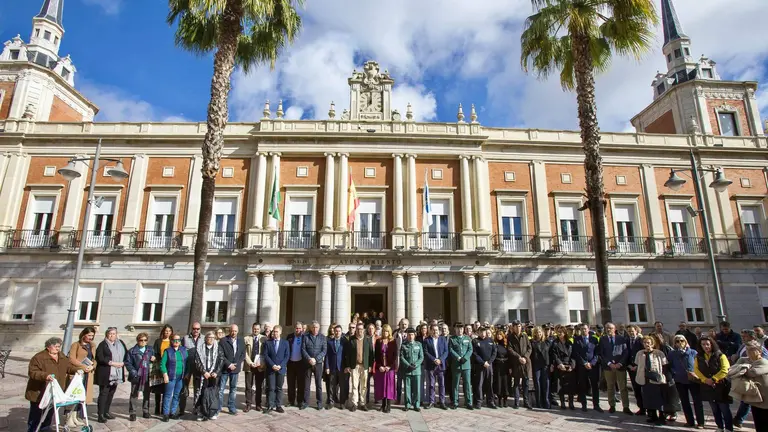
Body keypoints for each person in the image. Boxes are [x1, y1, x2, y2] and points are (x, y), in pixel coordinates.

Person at [26, 337, 84, 432]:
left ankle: (45, 429)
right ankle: (32, 430)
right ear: (48, 347)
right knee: (36, 414)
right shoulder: (39, 357)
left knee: (49, 412)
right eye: (55, 346)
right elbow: (32, 372)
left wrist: (76, 370)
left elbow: (68, 367)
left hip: (54, 391)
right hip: (39, 392)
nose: (58, 348)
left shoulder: (61, 356)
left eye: (59, 346)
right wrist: (45, 376)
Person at [695, 335, 733, 432]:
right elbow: (696, 370)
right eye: (703, 344)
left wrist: (714, 379)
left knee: (724, 408)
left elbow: (725, 369)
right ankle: (720, 426)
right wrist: (705, 380)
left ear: (712, 344)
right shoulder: (698, 357)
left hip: (721, 385)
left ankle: (729, 428)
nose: (706, 346)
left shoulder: (720, 355)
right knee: (714, 408)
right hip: (707, 385)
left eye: (707, 344)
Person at [732, 330, 768, 428]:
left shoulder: (763, 357)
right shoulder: (744, 351)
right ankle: (739, 419)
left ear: (759, 351)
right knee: (759, 421)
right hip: (754, 394)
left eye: (752, 350)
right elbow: (732, 371)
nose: (749, 352)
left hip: (765, 395)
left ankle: (739, 418)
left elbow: (756, 371)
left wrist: (745, 368)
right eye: (748, 350)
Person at [669, 334, 704, 428]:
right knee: (685, 401)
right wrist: (674, 373)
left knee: (697, 401)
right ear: (674, 343)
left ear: (685, 342)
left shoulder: (693, 352)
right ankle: (690, 421)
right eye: (677, 341)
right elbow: (670, 366)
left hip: (693, 380)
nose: (680, 343)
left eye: (682, 341)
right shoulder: (672, 353)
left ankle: (701, 422)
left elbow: (700, 365)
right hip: (680, 380)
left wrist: (697, 375)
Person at [95, 327, 128, 423]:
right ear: (106, 335)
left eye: (114, 333)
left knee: (111, 393)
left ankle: (106, 412)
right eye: (110, 334)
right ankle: (100, 414)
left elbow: (126, 353)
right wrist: (111, 363)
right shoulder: (103, 344)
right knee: (104, 393)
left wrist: (123, 363)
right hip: (106, 373)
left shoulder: (120, 343)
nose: (112, 335)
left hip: (117, 373)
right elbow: (100, 357)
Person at [597, 322, 631, 414]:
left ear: (614, 329)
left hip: (620, 366)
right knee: (610, 386)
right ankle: (612, 405)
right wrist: (609, 363)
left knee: (623, 387)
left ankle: (626, 407)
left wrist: (620, 363)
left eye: (611, 328)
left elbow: (625, 352)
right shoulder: (603, 339)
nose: (609, 330)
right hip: (608, 367)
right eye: (607, 328)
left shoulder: (621, 339)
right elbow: (601, 353)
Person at [65, 326, 96, 427]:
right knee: (73, 394)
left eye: (92, 336)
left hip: (88, 374)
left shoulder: (92, 345)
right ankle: (68, 418)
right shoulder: (76, 345)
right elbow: (72, 359)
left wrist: (92, 366)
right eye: (89, 335)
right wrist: (83, 366)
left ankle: (75, 417)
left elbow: (94, 359)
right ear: (84, 334)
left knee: (81, 396)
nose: (91, 338)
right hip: (77, 373)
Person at [634, 335, 668, 425]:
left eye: (648, 343)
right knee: (648, 398)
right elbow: (638, 365)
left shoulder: (659, 353)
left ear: (652, 343)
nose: (646, 345)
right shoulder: (640, 353)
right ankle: (652, 416)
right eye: (645, 343)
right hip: (645, 379)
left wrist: (663, 376)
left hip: (656, 379)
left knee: (659, 399)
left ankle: (661, 417)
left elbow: (664, 365)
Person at [125, 332, 154, 421]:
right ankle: (132, 412)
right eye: (141, 340)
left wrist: (154, 359)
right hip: (137, 376)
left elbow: (153, 360)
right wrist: (134, 372)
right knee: (134, 394)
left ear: (147, 341)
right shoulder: (132, 351)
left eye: (145, 340)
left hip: (147, 375)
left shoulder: (150, 350)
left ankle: (145, 411)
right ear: (137, 340)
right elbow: (128, 363)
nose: (143, 342)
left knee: (146, 394)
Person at [195, 331, 223, 421]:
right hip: (204, 375)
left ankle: (212, 413)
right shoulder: (200, 348)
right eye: (209, 337)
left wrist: (216, 372)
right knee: (202, 393)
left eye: (212, 338)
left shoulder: (218, 348)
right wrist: (203, 372)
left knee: (213, 394)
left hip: (213, 375)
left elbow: (221, 360)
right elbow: (197, 361)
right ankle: (201, 413)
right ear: (205, 338)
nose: (211, 339)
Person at [573, 323, 601, 412]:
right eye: (582, 329)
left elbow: (597, 353)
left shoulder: (594, 339)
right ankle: (584, 404)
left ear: (588, 329)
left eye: (585, 329)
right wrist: (584, 363)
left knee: (595, 386)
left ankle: (596, 404)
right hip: (582, 366)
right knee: (582, 385)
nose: (583, 330)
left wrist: (592, 363)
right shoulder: (577, 340)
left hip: (593, 366)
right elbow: (576, 353)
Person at [160, 333, 187, 422]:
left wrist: (187, 374)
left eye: (178, 340)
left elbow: (187, 363)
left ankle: (173, 412)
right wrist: (165, 375)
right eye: (175, 340)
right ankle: (165, 414)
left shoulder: (183, 350)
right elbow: (162, 364)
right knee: (168, 395)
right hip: (171, 376)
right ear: (171, 341)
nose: (176, 341)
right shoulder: (168, 351)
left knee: (177, 395)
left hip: (180, 377)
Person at [346, 322, 373, 411]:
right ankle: (354, 403)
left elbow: (371, 354)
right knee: (354, 385)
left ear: (364, 330)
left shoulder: (368, 340)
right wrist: (348, 366)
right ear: (356, 330)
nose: (359, 331)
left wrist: (370, 365)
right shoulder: (352, 339)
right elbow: (348, 354)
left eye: (361, 329)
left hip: (364, 366)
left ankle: (363, 403)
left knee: (364, 385)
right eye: (358, 329)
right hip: (355, 366)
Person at [219, 324, 245, 415]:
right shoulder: (223, 341)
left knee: (233, 389)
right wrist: (229, 364)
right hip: (225, 369)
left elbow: (243, 354)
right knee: (221, 389)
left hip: (235, 369)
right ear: (229, 331)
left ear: (237, 331)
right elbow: (221, 355)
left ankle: (231, 407)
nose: (233, 333)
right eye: (232, 331)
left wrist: (237, 364)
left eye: (235, 331)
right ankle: (218, 407)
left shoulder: (241, 341)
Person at [302, 320, 328, 410]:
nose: (315, 329)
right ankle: (305, 402)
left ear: (319, 328)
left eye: (316, 327)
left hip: (318, 363)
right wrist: (309, 358)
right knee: (306, 384)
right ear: (310, 327)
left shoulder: (323, 337)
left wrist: (316, 359)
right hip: (307, 363)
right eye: (313, 327)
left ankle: (319, 402)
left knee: (318, 384)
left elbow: (324, 350)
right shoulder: (305, 337)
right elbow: (303, 349)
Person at [423, 323, 449, 409]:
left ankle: (442, 402)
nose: (435, 331)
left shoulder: (443, 339)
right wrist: (434, 359)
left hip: (441, 365)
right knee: (431, 384)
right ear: (430, 331)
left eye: (437, 330)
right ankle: (431, 401)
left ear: (439, 331)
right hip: (431, 365)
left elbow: (446, 351)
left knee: (442, 384)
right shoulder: (427, 340)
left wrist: (440, 360)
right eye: (433, 330)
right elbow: (426, 352)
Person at [181, 322, 204, 416]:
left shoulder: (203, 338)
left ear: (200, 329)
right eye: (194, 328)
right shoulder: (186, 338)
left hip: (198, 367)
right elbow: (181, 351)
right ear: (191, 329)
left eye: (198, 329)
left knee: (197, 388)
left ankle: (196, 407)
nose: (196, 330)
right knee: (184, 387)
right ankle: (181, 409)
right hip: (187, 366)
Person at [264, 325, 289, 413]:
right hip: (271, 369)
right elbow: (266, 355)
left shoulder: (285, 343)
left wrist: (280, 365)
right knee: (271, 388)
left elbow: (287, 356)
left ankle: (278, 405)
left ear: (280, 332)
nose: (275, 333)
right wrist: (272, 365)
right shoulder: (268, 342)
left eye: (277, 331)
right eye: (274, 331)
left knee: (279, 388)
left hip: (281, 369)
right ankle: (270, 405)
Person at [507, 320, 532, 410]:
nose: (518, 328)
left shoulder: (525, 336)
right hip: (516, 363)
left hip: (525, 363)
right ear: (513, 327)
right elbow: (510, 349)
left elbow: (529, 348)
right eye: (516, 326)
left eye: (519, 326)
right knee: (516, 383)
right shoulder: (510, 337)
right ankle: (516, 402)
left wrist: (525, 357)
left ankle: (526, 401)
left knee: (526, 383)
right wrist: (519, 357)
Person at [449, 322, 473, 410]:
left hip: (466, 365)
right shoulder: (452, 339)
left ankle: (469, 402)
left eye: (461, 329)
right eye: (458, 329)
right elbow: (451, 349)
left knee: (467, 384)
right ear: (455, 329)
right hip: (456, 365)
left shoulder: (467, 338)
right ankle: (455, 402)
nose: (460, 330)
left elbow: (470, 349)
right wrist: (458, 357)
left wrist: (465, 358)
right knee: (455, 384)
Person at [551, 326, 576, 410]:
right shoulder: (555, 343)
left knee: (570, 386)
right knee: (560, 386)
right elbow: (554, 355)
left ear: (564, 333)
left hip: (569, 366)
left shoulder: (569, 343)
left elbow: (573, 355)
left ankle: (571, 403)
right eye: (558, 332)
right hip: (560, 366)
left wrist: (572, 365)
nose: (559, 334)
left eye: (561, 332)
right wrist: (559, 364)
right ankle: (562, 403)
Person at [472, 327, 497, 409]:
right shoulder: (475, 341)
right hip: (480, 366)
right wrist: (483, 362)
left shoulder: (490, 340)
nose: (483, 334)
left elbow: (494, 352)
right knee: (479, 384)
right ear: (478, 332)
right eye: (481, 332)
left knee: (489, 383)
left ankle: (490, 401)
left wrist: (489, 362)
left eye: (484, 332)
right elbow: (475, 354)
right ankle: (479, 401)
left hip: (489, 366)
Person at [151, 324, 173, 416]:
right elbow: (155, 353)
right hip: (158, 366)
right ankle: (157, 408)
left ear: (171, 332)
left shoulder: (172, 342)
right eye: (166, 331)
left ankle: (165, 409)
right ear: (163, 331)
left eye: (169, 331)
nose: (167, 332)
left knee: (166, 388)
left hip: (169, 367)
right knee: (157, 388)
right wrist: (153, 358)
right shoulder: (158, 341)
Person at [400, 327, 424, 411]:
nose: (410, 336)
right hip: (407, 370)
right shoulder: (404, 345)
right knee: (407, 388)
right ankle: (407, 404)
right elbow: (401, 357)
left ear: (415, 335)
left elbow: (421, 357)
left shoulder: (419, 344)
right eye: (409, 335)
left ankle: (416, 404)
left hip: (416, 370)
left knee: (417, 388)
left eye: (412, 335)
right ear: (407, 335)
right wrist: (408, 365)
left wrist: (416, 365)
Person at [375, 324, 397, 413]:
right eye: (384, 331)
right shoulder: (378, 341)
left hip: (389, 368)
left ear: (390, 332)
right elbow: (376, 355)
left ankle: (388, 405)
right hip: (381, 368)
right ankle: (383, 404)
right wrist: (379, 365)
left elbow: (395, 355)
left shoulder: (393, 341)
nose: (385, 332)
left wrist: (389, 366)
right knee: (382, 386)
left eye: (387, 331)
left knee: (389, 386)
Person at [243, 323, 265, 413]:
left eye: (257, 329)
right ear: (252, 329)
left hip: (260, 366)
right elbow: (244, 353)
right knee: (248, 386)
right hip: (249, 366)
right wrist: (250, 363)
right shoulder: (246, 338)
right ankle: (248, 404)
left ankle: (258, 404)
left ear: (260, 329)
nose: (256, 330)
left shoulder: (264, 339)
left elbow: (265, 353)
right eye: (254, 329)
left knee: (259, 386)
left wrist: (260, 363)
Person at [325, 324, 348, 409]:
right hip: (332, 367)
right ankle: (331, 402)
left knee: (342, 386)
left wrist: (347, 367)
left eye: (339, 331)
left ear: (341, 332)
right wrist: (327, 367)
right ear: (334, 332)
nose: (337, 332)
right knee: (331, 386)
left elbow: (347, 355)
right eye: (336, 331)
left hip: (342, 368)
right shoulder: (330, 342)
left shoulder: (344, 342)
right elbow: (327, 355)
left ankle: (342, 403)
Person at [625, 324, 646, 416]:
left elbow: (644, 354)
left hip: (640, 368)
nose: (630, 333)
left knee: (643, 389)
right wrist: (629, 365)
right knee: (636, 388)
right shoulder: (626, 341)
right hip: (631, 368)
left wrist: (638, 366)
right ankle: (641, 408)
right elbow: (625, 354)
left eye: (632, 331)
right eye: (629, 331)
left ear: (636, 331)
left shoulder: (641, 341)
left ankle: (648, 408)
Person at [285, 322, 305, 407]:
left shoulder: (304, 337)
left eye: (299, 328)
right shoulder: (289, 337)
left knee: (301, 383)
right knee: (291, 383)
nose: (298, 330)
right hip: (291, 363)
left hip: (301, 363)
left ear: (302, 329)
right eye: (296, 328)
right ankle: (291, 400)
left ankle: (300, 401)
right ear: (294, 328)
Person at [530, 326, 550, 409]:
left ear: (542, 333)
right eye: (537, 332)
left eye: (540, 332)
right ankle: (538, 402)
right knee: (537, 383)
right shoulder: (532, 342)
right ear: (534, 333)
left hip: (545, 365)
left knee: (545, 383)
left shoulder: (547, 342)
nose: (538, 334)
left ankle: (546, 401)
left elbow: (550, 354)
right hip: (536, 365)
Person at [492, 326, 510, 407]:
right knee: (499, 383)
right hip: (498, 366)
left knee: (505, 383)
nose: (499, 336)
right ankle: (499, 399)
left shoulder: (506, 344)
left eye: (500, 334)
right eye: (497, 335)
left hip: (505, 366)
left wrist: (510, 367)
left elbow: (509, 356)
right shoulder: (495, 345)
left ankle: (505, 399)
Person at [394, 318, 409, 404]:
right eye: (402, 324)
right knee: (399, 382)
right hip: (399, 360)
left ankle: (407, 400)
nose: (404, 326)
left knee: (407, 382)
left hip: (407, 361)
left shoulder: (411, 334)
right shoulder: (396, 334)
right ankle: (398, 399)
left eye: (405, 324)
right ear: (399, 325)